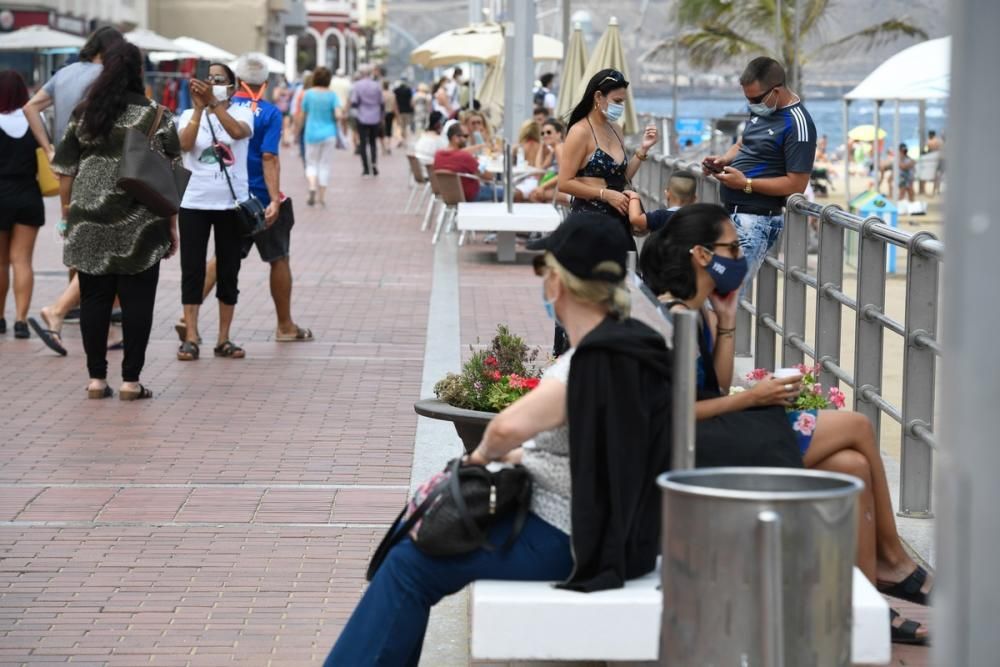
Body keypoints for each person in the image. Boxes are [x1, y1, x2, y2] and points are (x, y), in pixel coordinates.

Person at [324, 213, 673, 665]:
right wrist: (524, 456)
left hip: (571, 538)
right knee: (416, 560)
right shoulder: (638, 344)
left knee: (410, 563)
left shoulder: (584, 364)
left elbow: (504, 426)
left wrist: (483, 455)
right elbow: (594, 444)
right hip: (621, 533)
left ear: (560, 283)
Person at [639, 203, 931, 645]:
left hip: (712, 431)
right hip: (692, 446)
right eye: (732, 248)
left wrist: (728, 319)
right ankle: (893, 560)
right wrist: (754, 397)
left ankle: (864, 601)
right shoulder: (671, 317)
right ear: (701, 255)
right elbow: (673, 414)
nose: (740, 256)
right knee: (857, 425)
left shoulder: (698, 310)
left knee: (850, 467)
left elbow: (714, 387)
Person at [50, 42, 180, 400]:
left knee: (93, 301)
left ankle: (95, 380)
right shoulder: (155, 113)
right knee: (138, 305)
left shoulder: (85, 112)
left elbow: (64, 169)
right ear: (138, 71)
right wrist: (171, 226)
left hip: (88, 217)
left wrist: (67, 213)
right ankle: (130, 382)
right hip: (141, 221)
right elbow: (169, 170)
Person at [25, 26, 124, 356]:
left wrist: (49, 146)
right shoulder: (107, 77)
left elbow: (30, 108)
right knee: (106, 246)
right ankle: (63, 310)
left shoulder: (64, 74)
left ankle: (94, 319)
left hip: (69, 169)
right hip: (101, 168)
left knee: (85, 243)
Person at [702, 57, 816, 287]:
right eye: (747, 99)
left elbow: (797, 184)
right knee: (710, 289)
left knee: (725, 293)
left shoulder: (798, 123)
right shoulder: (762, 110)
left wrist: (746, 184)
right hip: (730, 213)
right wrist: (723, 160)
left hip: (756, 220)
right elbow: (744, 143)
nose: (751, 104)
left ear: (776, 91)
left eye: (755, 99)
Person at [229, 52, 313, 343]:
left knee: (223, 258)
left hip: (229, 195)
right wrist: (274, 199)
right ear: (265, 82)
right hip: (261, 197)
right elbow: (269, 157)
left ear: (238, 80)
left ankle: (187, 319)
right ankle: (285, 326)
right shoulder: (270, 112)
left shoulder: (223, 109)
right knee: (279, 258)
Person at [176, 63, 254, 362]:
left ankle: (224, 338)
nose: (211, 83)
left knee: (228, 271)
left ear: (232, 87)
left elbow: (236, 133)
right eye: (208, 79)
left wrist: (214, 104)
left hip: (230, 205)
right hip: (194, 202)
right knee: (192, 269)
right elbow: (183, 144)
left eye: (218, 80)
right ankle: (191, 336)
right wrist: (198, 109)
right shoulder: (185, 115)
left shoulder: (242, 112)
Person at [558, 68, 659, 250]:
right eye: (617, 101)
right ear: (598, 97)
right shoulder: (580, 132)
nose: (620, 107)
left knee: (626, 273)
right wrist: (605, 195)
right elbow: (564, 183)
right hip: (589, 221)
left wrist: (643, 148)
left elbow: (621, 177)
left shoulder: (616, 129)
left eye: (623, 102)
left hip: (618, 221)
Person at [0, 71, 44, 340]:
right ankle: (21, 320)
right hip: (28, 194)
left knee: (0, 262)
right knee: (22, 260)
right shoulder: (33, 120)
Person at [297, 66, 342, 206]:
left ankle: (311, 187)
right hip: (329, 134)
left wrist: (297, 130)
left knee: (311, 163)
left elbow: (302, 115)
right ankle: (322, 197)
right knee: (325, 164)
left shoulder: (308, 94)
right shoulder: (332, 95)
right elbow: (338, 114)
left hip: (311, 133)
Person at [432, 123, 511, 202]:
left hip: (448, 196)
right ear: (455, 138)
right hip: (472, 195)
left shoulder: (438, 155)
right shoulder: (464, 157)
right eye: (465, 136)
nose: (467, 139)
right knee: (510, 193)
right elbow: (487, 176)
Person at [625, 171, 697, 234]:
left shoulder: (660, 216)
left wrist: (634, 196)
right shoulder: (698, 220)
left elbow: (635, 219)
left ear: (667, 193)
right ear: (694, 199)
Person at [351, 65, 384, 177]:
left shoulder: (357, 85)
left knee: (363, 143)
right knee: (373, 142)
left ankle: (365, 168)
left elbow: (354, 102)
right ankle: (374, 165)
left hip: (362, 117)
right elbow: (381, 102)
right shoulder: (376, 85)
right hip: (375, 116)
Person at [528, 118, 569, 204]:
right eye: (542, 133)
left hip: (566, 191)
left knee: (533, 195)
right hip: (558, 188)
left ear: (558, 134)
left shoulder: (559, 148)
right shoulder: (554, 150)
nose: (545, 135)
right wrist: (541, 147)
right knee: (534, 194)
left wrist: (542, 187)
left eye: (549, 132)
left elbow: (564, 174)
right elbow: (539, 171)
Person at [393, 79, 414, 147]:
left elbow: (395, 101)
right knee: (405, 126)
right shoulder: (408, 90)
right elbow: (411, 101)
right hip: (407, 111)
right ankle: (404, 141)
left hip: (399, 111)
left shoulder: (396, 91)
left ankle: (401, 140)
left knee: (399, 126)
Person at [381, 79, 397, 155]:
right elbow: (394, 106)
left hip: (382, 113)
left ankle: (383, 147)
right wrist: (397, 115)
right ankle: (388, 146)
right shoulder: (392, 94)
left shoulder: (380, 94)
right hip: (390, 113)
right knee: (389, 130)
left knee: (382, 131)